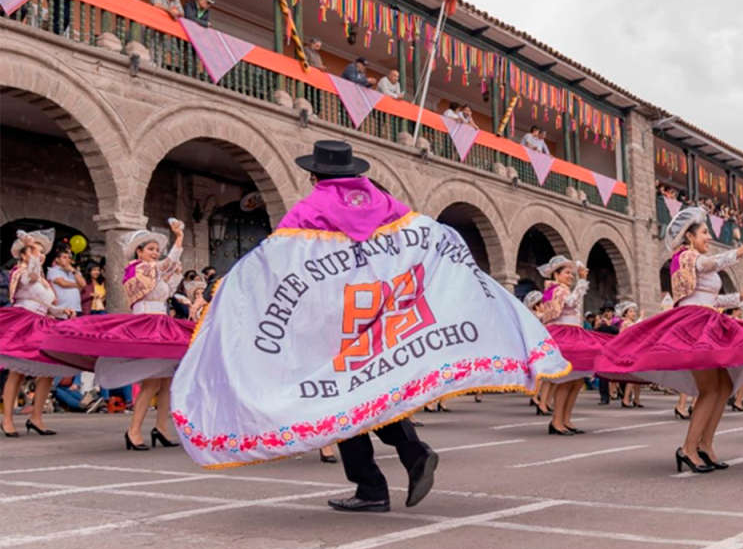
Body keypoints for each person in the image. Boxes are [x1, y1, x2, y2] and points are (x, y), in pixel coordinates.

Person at [170, 140, 570, 511]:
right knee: (371, 384)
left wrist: (235, 287)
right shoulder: (386, 204)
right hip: (382, 313)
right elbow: (426, 238)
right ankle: (412, 452)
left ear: (315, 176)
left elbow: (278, 263)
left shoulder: (308, 210)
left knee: (339, 394)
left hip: (334, 318)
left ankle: (371, 488)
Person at [594, 206, 743, 473]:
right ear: (689, 236)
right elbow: (709, 264)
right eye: (704, 232)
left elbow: (712, 299)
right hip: (693, 325)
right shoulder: (685, 256)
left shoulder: (697, 260)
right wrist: (742, 250)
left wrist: (739, 296)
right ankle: (688, 448)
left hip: (708, 320)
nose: (708, 237)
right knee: (710, 389)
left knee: (724, 386)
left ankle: (705, 444)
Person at [42, 221, 193, 450]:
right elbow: (167, 264)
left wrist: (174, 274)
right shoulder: (138, 268)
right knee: (152, 383)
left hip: (162, 324)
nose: (154, 252)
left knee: (167, 380)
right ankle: (133, 431)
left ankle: (161, 427)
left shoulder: (152, 272)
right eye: (150, 249)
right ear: (139, 251)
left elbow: (167, 288)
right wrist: (179, 239)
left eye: (156, 249)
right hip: (147, 326)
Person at [0, 229, 79, 437]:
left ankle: (36, 417)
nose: (40, 254)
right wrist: (33, 253)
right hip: (24, 323)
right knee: (17, 371)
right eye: (35, 250)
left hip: (43, 324)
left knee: (47, 370)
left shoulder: (44, 279)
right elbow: (31, 277)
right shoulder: (20, 273)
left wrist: (63, 311)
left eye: (42, 251)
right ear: (24, 254)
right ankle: (7, 419)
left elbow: (47, 306)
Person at [537, 256, 609, 434]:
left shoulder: (560, 289)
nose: (570, 276)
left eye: (571, 273)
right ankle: (557, 421)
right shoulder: (559, 290)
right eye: (567, 273)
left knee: (576, 381)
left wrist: (581, 281)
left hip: (572, 333)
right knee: (567, 380)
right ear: (556, 275)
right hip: (565, 335)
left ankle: (565, 419)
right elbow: (571, 303)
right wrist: (582, 281)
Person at [613, 302, 645, 409]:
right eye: (631, 311)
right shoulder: (625, 323)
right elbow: (634, 328)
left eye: (634, 311)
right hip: (628, 352)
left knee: (638, 376)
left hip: (635, 350)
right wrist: (641, 318)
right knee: (632, 375)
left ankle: (636, 399)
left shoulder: (630, 323)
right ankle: (626, 399)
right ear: (625, 314)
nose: (633, 313)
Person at [46, 247, 85, 315]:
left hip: (77, 308)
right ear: (57, 259)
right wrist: (78, 285)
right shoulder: (53, 270)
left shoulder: (74, 272)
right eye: (64, 257)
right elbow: (63, 283)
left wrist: (73, 271)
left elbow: (83, 284)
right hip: (62, 309)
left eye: (69, 258)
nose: (67, 259)